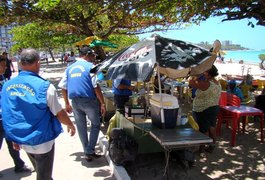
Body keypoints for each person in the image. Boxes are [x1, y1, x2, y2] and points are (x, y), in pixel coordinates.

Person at [1, 49, 76, 180]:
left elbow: (9, 114)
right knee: (44, 175)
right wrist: (70, 124)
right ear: (37, 63)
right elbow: (59, 112)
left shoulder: (7, 86)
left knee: (40, 170)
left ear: (20, 63)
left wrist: (14, 137)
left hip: (22, 139)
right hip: (42, 140)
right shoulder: (45, 87)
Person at [58, 46, 106, 162]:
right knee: (95, 124)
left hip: (75, 102)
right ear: (87, 55)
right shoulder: (91, 67)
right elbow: (95, 86)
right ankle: (89, 150)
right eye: (93, 55)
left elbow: (63, 86)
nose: (94, 58)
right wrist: (102, 103)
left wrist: (66, 103)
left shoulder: (69, 68)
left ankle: (87, 151)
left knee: (81, 127)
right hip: (89, 100)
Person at [0, 55, 32, 178]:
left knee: (13, 142)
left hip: (7, 117)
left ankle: (19, 165)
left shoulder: (3, 77)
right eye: (2, 65)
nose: (5, 67)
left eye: (5, 65)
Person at [189, 65, 221, 153]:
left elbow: (191, 82)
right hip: (214, 107)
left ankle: (202, 149)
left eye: (205, 71)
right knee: (212, 127)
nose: (203, 72)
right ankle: (212, 145)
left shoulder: (206, 84)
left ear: (209, 75)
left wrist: (197, 75)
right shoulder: (217, 82)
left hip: (203, 109)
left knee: (203, 129)